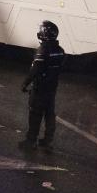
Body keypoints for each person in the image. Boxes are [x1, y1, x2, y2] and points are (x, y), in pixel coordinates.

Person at [19, 20, 66, 151]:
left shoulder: (42, 50)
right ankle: (47, 141)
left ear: (45, 33)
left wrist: (25, 83)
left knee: (35, 115)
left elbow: (35, 70)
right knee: (49, 115)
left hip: (40, 89)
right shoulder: (60, 51)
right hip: (52, 89)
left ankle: (31, 141)